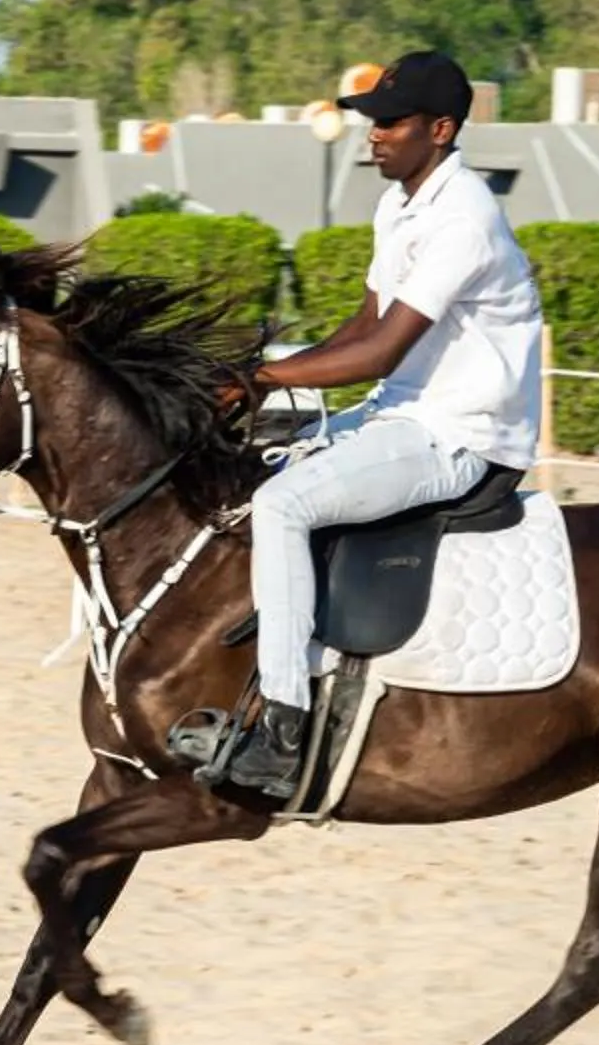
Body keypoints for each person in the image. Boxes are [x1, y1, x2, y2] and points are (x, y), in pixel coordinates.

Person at [212, 50, 546, 797]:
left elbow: (382, 349)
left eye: (390, 122)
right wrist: (259, 379)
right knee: (254, 477)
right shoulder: (397, 204)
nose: (374, 135)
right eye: (371, 121)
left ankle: (285, 733)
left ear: (441, 128)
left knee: (282, 504)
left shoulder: (466, 217)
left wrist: (263, 377)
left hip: (465, 436)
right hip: (404, 412)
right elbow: (361, 324)